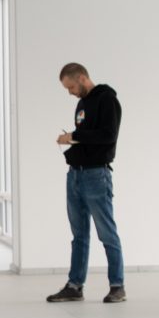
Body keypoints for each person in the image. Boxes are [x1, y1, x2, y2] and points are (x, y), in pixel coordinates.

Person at [48, 62, 124, 304]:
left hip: (96, 176)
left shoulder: (107, 99)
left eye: (71, 87)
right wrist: (72, 140)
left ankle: (117, 286)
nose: (70, 93)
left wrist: (74, 136)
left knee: (107, 233)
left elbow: (108, 135)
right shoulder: (82, 104)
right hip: (75, 176)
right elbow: (87, 137)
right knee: (79, 235)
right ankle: (75, 286)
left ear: (81, 78)